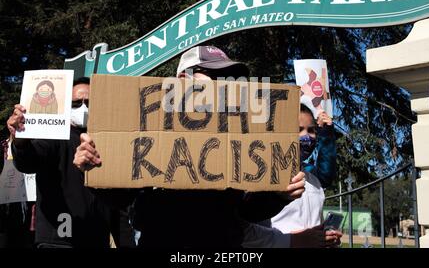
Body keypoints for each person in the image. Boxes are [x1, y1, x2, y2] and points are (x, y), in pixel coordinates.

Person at [74, 45, 306, 248]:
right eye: (213, 75)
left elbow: (246, 213)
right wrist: (94, 168)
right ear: (184, 79)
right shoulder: (147, 127)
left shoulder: (238, 136)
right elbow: (123, 199)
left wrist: (278, 196)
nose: (224, 85)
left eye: (229, 78)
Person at [7, 77, 135, 248]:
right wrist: (21, 140)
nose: (83, 108)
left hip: (97, 239)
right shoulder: (54, 136)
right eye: (76, 103)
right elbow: (28, 162)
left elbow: (117, 205)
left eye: (89, 102)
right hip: (59, 240)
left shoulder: (107, 140)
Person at [242, 104, 342, 247]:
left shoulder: (314, 181)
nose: (306, 137)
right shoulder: (258, 176)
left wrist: (323, 237)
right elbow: (241, 230)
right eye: (298, 130)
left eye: (311, 130)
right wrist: (293, 240)